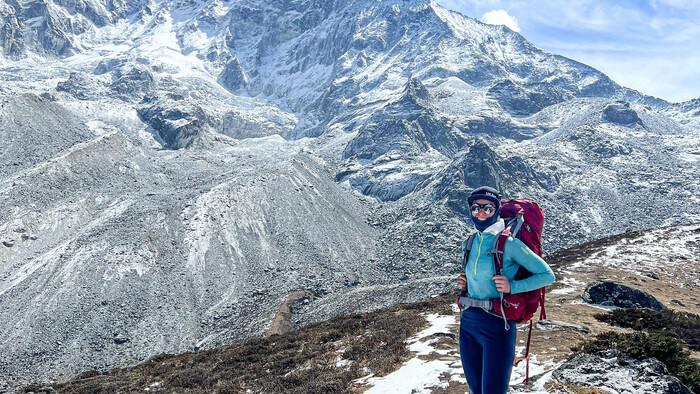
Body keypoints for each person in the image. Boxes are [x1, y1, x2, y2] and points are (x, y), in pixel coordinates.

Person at [457, 186, 555, 394]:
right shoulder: (470, 241)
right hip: (467, 325)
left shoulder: (509, 244)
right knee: (477, 391)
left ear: (497, 210)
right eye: (475, 208)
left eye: (488, 208)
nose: (481, 213)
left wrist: (514, 286)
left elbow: (547, 275)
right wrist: (465, 281)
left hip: (498, 325)